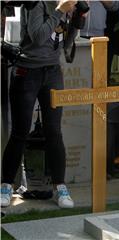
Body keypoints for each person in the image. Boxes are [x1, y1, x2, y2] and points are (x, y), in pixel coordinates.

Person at [1, 0, 79, 208]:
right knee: (20, 131)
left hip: (53, 71)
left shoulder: (65, 5)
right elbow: (37, 37)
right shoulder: (36, 2)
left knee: (54, 131)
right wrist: (59, 11)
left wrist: (76, 19)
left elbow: (65, 44)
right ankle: (6, 185)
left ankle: (59, 187)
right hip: (27, 72)